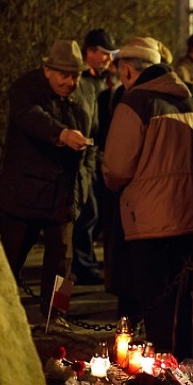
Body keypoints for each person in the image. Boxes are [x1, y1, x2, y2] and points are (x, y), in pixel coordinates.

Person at [102, 37, 193, 360]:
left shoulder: (134, 103)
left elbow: (117, 167)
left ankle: (163, 369)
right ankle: (189, 362)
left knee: (153, 301)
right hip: (185, 214)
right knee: (181, 300)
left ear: (128, 70)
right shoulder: (188, 100)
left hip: (147, 219)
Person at [0, 39, 96, 322]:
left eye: (75, 75)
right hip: (23, 196)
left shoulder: (84, 94)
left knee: (63, 265)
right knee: (9, 259)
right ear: (47, 70)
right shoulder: (25, 88)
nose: (70, 82)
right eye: (64, 75)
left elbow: (92, 139)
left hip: (63, 196)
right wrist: (61, 134)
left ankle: (57, 317)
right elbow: (31, 117)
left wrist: (83, 185)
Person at [71, 28, 117, 286]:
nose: (109, 59)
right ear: (90, 52)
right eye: (104, 53)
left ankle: (86, 263)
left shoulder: (104, 81)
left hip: (98, 155)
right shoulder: (81, 82)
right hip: (86, 155)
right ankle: (84, 265)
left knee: (95, 213)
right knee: (88, 212)